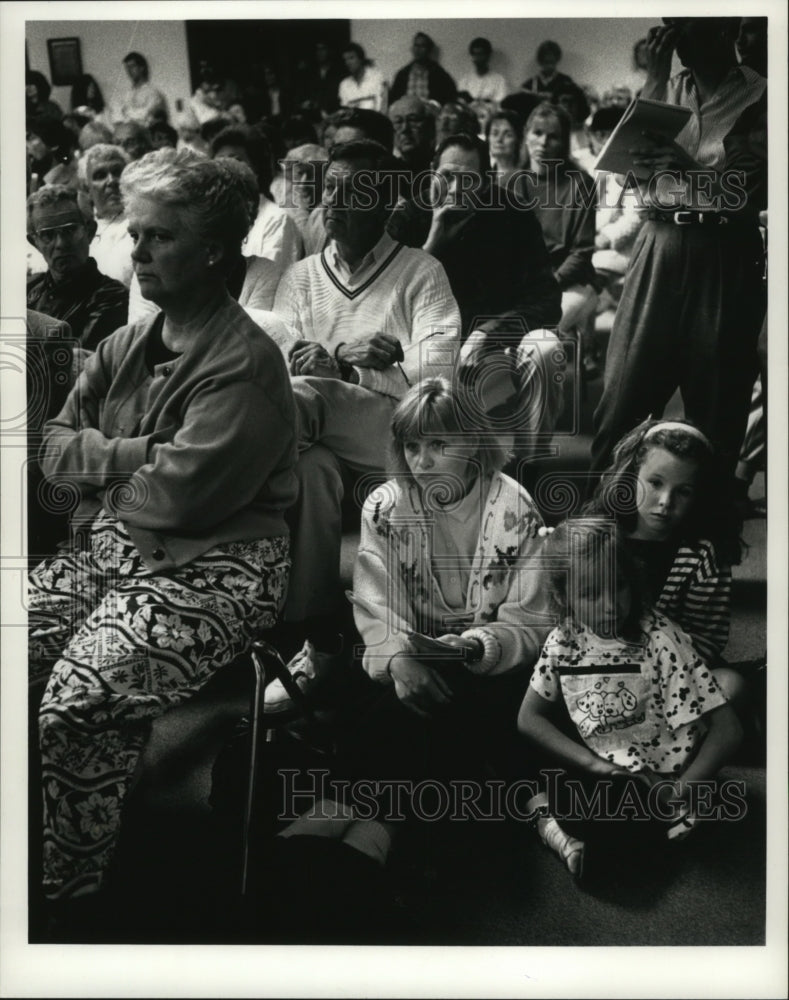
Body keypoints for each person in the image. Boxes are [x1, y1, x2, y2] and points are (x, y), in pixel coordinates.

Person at [28, 149, 298, 915]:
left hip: (217, 570)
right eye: (135, 234)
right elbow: (52, 447)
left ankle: (72, 897)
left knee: (76, 701)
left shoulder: (245, 365)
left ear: (213, 250)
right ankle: (65, 812)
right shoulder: (127, 343)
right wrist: (139, 456)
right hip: (117, 554)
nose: (137, 252)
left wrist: (109, 464)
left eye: (159, 238)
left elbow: (175, 498)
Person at [264, 139, 461, 711]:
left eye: (356, 192)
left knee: (305, 399)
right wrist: (323, 364)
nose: (337, 203)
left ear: (388, 203)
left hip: (398, 437)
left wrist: (354, 369)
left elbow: (439, 378)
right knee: (310, 469)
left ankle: (224, 495)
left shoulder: (421, 271)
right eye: (331, 189)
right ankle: (322, 642)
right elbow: (279, 355)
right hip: (318, 439)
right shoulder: (300, 276)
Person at [589, 17, 767, 481]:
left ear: (726, 26)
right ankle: (603, 519)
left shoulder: (763, 94)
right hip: (658, 240)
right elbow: (623, 170)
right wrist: (654, 75)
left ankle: (708, 534)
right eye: (671, 25)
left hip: (724, 250)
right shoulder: (665, 86)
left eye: (688, 25)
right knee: (623, 393)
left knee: (718, 398)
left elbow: (749, 196)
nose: (676, 37)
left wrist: (687, 167)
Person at [517, 517, 742, 881]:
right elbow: (529, 719)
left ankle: (587, 839)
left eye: (618, 587)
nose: (610, 606)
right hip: (608, 765)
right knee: (514, 754)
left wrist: (678, 791)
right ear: (563, 597)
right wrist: (593, 766)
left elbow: (729, 731)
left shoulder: (660, 640)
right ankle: (582, 836)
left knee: (608, 817)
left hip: (665, 778)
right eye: (591, 594)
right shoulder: (563, 641)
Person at [350, 377, 550, 775]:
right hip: (409, 660)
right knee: (387, 704)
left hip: (490, 667)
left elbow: (533, 623)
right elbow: (374, 605)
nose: (421, 463)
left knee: (443, 719)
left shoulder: (517, 508)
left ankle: (371, 826)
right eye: (412, 447)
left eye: (439, 446)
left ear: (474, 443)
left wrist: (476, 648)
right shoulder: (384, 508)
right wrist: (397, 660)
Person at [387, 132, 563, 460]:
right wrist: (433, 244)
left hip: (493, 350)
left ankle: (528, 465)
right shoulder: (410, 215)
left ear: (486, 181)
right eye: (447, 177)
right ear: (431, 172)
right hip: (424, 350)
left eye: (468, 181)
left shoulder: (513, 214)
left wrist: (487, 332)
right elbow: (385, 302)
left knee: (545, 348)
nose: (455, 190)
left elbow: (547, 302)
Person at [583, 419, 746, 701]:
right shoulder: (602, 537)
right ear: (632, 475)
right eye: (655, 483)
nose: (665, 501)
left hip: (676, 670)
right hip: (602, 661)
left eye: (683, 491)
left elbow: (708, 638)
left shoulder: (703, 553)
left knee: (731, 684)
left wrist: (655, 669)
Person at [519, 103, 598, 342]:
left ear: (564, 142)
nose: (543, 143)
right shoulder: (510, 183)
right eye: (537, 133)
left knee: (536, 337)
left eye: (553, 137)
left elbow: (581, 252)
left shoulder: (580, 184)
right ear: (526, 135)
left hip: (568, 283)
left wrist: (545, 286)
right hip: (522, 285)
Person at [26, 185, 129, 350]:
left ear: (89, 232)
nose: (60, 244)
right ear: (34, 243)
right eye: (48, 235)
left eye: (70, 230)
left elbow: (77, 364)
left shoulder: (112, 297)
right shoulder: (27, 289)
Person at [211, 124, 304, 268]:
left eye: (235, 161)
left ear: (257, 168)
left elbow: (271, 284)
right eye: (218, 162)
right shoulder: (210, 219)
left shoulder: (277, 220)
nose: (224, 170)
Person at [82, 144, 134, 287]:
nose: (111, 181)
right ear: (87, 189)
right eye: (100, 175)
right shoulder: (80, 232)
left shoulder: (144, 224)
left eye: (117, 172)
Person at [389, 32, 457, 107]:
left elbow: (450, 100)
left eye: (423, 46)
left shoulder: (440, 75)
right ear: (412, 48)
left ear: (429, 50)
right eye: (416, 45)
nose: (418, 49)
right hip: (407, 116)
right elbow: (393, 103)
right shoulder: (402, 75)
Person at [114, 51, 168, 126]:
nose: (129, 71)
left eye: (132, 66)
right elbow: (118, 117)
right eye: (127, 68)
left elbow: (146, 116)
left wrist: (127, 112)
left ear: (141, 68)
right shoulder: (126, 95)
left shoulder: (153, 93)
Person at [457, 37, 508, 114]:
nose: (478, 58)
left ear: (488, 56)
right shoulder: (465, 80)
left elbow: (501, 105)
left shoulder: (499, 80)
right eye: (475, 55)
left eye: (481, 54)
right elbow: (460, 102)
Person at [338, 42, 388, 114]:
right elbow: (345, 112)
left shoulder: (377, 77)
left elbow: (382, 109)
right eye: (345, 60)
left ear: (361, 59)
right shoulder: (344, 85)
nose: (348, 63)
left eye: (351, 58)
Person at [485, 109, 524, 187]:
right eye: (495, 134)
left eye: (508, 135)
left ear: (519, 140)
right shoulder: (484, 177)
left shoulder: (525, 180)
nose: (499, 140)